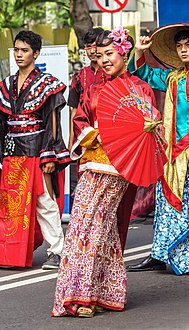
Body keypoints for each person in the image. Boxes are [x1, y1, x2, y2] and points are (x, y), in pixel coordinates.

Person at [52, 27, 161, 317]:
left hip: (118, 167)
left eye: (110, 54)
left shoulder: (141, 89)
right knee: (85, 227)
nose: (104, 61)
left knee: (94, 227)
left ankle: (83, 296)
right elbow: (80, 120)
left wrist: (145, 127)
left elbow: (148, 123)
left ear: (124, 53)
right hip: (92, 162)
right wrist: (94, 133)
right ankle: (108, 290)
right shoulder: (95, 89)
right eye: (100, 56)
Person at [127, 23, 189, 275]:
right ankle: (160, 252)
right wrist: (139, 51)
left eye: (188, 45)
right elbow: (144, 74)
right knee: (165, 202)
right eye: (179, 46)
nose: (183, 50)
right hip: (171, 152)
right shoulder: (173, 76)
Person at [0, 30, 71, 270]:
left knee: (44, 201)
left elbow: (52, 124)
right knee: (10, 205)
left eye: (25, 50)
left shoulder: (47, 85)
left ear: (36, 53)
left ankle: (57, 251)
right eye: (16, 50)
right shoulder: (6, 85)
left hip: (37, 150)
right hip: (13, 153)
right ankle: (9, 254)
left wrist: (49, 155)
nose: (19, 55)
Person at [68, 27, 107, 150]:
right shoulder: (78, 76)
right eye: (88, 47)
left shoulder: (112, 73)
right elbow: (74, 111)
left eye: (95, 46)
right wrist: (71, 140)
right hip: (84, 134)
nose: (91, 51)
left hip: (107, 134)